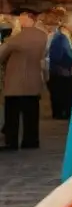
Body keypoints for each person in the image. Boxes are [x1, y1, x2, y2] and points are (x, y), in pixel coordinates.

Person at [0, 9, 48, 150]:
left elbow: (2, 53)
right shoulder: (42, 36)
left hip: (16, 82)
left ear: (28, 18)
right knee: (31, 114)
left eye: (21, 18)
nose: (19, 21)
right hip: (33, 81)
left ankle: (11, 142)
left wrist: (13, 33)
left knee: (12, 115)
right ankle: (31, 141)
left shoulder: (17, 38)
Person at [47, 10, 72, 120]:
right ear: (67, 24)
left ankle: (61, 113)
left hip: (61, 72)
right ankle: (61, 114)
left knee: (61, 96)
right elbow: (63, 56)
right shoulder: (61, 38)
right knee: (62, 96)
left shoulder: (62, 37)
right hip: (61, 73)